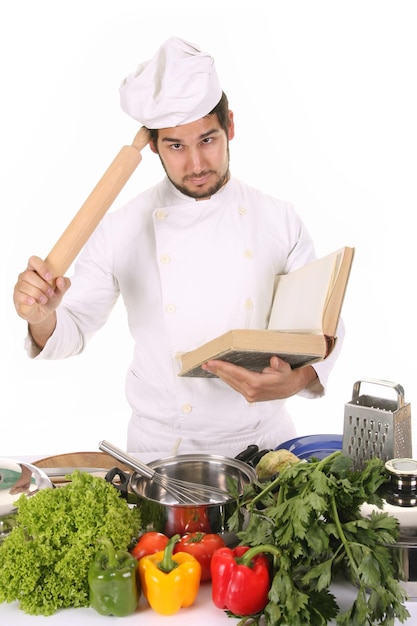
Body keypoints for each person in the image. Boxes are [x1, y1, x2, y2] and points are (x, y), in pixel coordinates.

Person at [13, 37, 344, 457]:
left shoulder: (278, 218)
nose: (196, 164)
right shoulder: (120, 226)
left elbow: (321, 324)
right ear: (153, 146)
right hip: (163, 454)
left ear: (231, 127)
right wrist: (42, 316)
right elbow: (71, 329)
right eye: (175, 146)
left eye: (207, 140)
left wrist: (296, 380)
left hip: (266, 445)